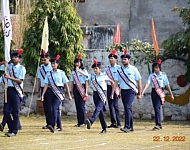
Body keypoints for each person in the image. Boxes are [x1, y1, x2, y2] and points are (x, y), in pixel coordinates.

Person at [41, 55, 72, 133]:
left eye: (54, 63)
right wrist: (42, 95)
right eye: (52, 63)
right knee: (55, 110)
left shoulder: (61, 73)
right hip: (51, 91)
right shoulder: (49, 74)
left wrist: (69, 94)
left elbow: (66, 85)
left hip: (59, 92)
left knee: (55, 107)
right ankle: (59, 126)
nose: (52, 65)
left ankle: (52, 125)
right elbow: (46, 84)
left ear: (57, 64)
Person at [114, 49, 142, 133]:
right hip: (123, 91)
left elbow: (139, 80)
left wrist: (140, 93)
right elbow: (116, 81)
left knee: (127, 106)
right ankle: (131, 127)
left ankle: (127, 126)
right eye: (122, 59)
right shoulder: (119, 70)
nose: (123, 60)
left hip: (131, 91)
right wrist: (113, 92)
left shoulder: (133, 69)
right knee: (127, 108)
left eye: (125, 59)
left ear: (129, 60)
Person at [142, 59, 174, 130]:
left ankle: (158, 124)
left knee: (157, 108)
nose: (155, 69)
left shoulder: (163, 75)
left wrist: (171, 94)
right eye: (154, 68)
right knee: (156, 108)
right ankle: (158, 124)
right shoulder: (151, 76)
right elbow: (148, 83)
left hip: (160, 91)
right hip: (154, 92)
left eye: (157, 67)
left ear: (159, 68)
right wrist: (143, 91)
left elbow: (167, 85)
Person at [0, 49, 26, 137]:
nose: (14, 58)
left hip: (16, 91)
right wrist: (3, 63)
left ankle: (14, 130)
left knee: (15, 111)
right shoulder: (9, 66)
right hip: (8, 90)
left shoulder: (22, 68)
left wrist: (9, 77)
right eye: (13, 57)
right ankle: (11, 128)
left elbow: (19, 81)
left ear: (19, 59)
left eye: (16, 57)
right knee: (6, 111)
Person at [85, 59, 115, 134]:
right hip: (95, 94)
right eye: (94, 69)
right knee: (100, 112)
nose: (95, 70)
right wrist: (78, 71)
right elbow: (86, 75)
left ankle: (91, 120)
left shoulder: (104, 75)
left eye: (96, 68)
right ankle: (104, 128)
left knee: (98, 108)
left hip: (102, 94)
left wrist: (113, 90)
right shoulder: (92, 76)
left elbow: (111, 81)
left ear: (100, 69)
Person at [70, 54, 88, 127]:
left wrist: (86, 92)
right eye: (76, 63)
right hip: (75, 87)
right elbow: (71, 82)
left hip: (82, 87)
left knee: (81, 105)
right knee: (77, 105)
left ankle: (83, 121)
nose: (77, 64)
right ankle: (79, 121)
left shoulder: (84, 71)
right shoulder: (73, 72)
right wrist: (72, 92)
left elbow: (86, 80)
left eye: (78, 62)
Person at [104, 49, 121, 128]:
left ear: (115, 59)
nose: (111, 60)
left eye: (112, 58)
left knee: (116, 105)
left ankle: (118, 122)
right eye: (110, 58)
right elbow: (104, 77)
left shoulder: (119, 68)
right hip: (109, 87)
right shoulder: (107, 68)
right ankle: (113, 122)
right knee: (110, 105)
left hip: (117, 87)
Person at [37, 50, 52, 129]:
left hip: (50, 88)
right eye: (42, 59)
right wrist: (39, 90)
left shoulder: (51, 67)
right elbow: (39, 80)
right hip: (43, 88)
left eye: (44, 59)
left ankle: (52, 123)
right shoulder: (41, 68)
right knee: (45, 107)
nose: (43, 61)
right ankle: (48, 123)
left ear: (48, 58)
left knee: (50, 107)